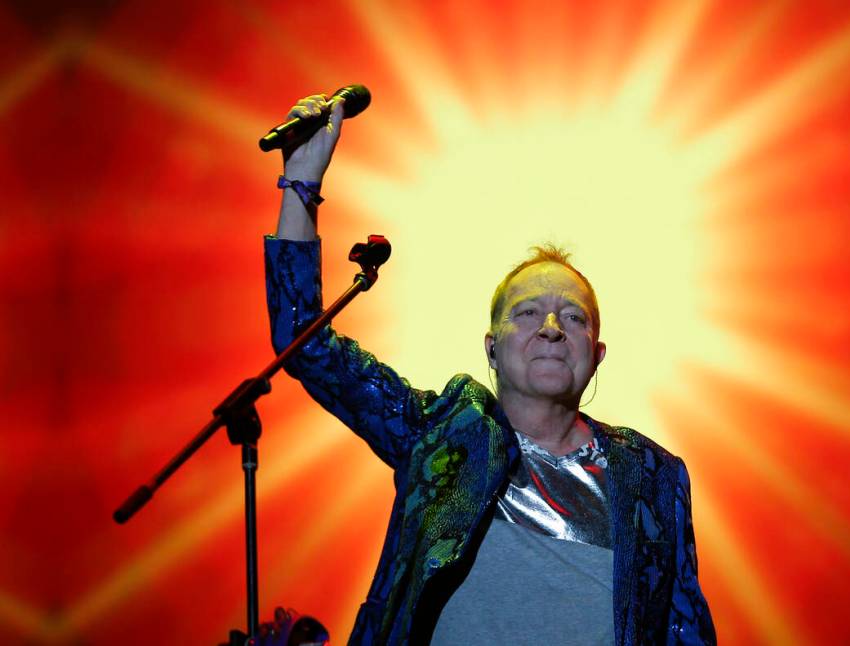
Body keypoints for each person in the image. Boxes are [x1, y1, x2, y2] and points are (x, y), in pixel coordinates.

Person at [265, 94, 716, 645]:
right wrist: (301, 185)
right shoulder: (440, 433)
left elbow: (685, 630)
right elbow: (305, 344)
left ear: (596, 355)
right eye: (527, 312)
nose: (551, 325)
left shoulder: (654, 477)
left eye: (573, 316)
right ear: (491, 348)